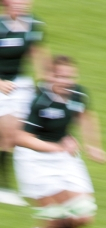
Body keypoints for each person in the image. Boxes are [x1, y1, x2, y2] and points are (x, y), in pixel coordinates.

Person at [13, 54, 106, 228]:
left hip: (63, 157)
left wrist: (92, 145)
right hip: (34, 160)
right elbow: (21, 138)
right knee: (55, 215)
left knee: (84, 217)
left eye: (70, 76)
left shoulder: (79, 95)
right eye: (60, 76)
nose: (66, 81)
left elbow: (87, 115)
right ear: (50, 75)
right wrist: (55, 146)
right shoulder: (41, 101)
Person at [0, 0, 48, 178]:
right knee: (8, 135)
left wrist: (45, 84)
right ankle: (4, 186)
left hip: (20, 83)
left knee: (21, 135)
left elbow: (38, 54)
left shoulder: (33, 24)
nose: (22, 3)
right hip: (1, 84)